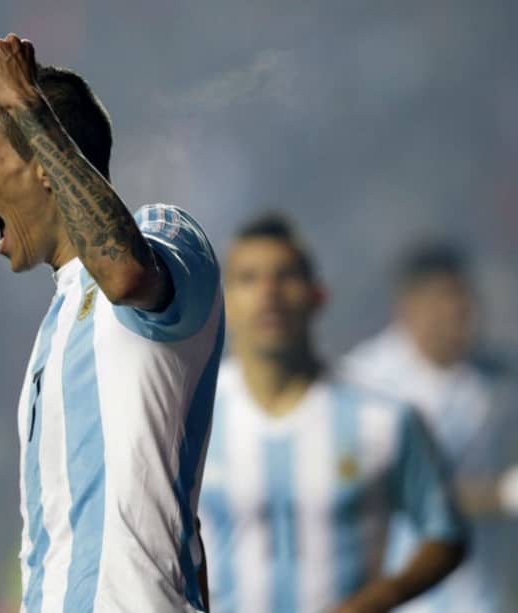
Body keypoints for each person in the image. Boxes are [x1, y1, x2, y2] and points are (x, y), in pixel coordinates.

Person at [0, 35, 224, 612]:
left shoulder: (166, 237)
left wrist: (25, 101)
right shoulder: (57, 321)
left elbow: (126, 274)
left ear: (43, 162)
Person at [198, 214, 466, 613]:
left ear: (318, 295)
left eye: (286, 276)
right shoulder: (191, 417)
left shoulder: (384, 418)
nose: (269, 294)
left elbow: (445, 534)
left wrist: (375, 601)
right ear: (224, 302)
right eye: (249, 279)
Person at [344, 241, 518, 613]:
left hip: (479, 597)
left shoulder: (497, 382)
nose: (455, 315)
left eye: (462, 302)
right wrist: (500, 495)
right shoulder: (365, 382)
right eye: (441, 302)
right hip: (400, 597)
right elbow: (391, 489)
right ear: (407, 308)